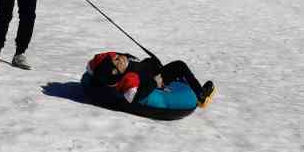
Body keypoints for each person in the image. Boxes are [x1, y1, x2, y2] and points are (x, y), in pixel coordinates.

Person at [87, 51, 216, 108]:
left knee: (152, 62)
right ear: (115, 72)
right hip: (155, 78)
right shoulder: (130, 78)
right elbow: (134, 97)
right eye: (116, 60)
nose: (118, 56)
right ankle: (201, 96)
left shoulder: (118, 63)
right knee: (179, 66)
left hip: (150, 67)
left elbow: (95, 64)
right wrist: (155, 83)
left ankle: (183, 81)